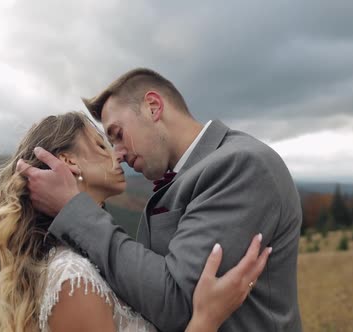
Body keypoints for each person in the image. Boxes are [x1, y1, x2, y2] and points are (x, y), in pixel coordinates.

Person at [0, 112, 271, 332]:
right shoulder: (73, 279)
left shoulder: (93, 262)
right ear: (69, 162)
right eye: (101, 146)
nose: (116, 153)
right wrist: (206, 318)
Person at [17, 68, 303, 331]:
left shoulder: (241, 164)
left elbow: (176, 303)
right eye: (107, 143)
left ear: (153, 107)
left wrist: (74, 210)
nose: (119, 153)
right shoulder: (181, 179)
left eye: (117, 134)